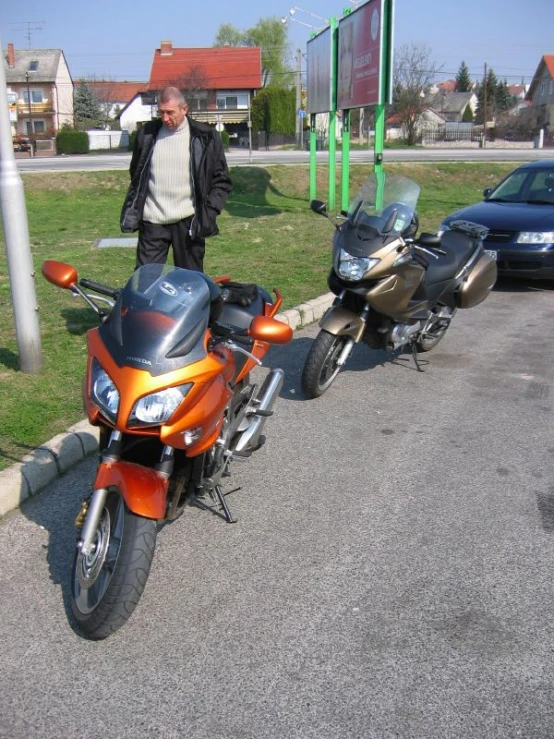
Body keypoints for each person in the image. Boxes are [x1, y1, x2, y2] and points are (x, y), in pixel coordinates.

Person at [120, 86, 232, 272]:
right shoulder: (147, 135)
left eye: (170, 112)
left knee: (190, 286)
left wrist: (208, 213)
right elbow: (137, 173)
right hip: (152, 222)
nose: (165, 118)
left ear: (184, 109)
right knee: (145, 284)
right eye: (161, 112)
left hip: (188, 223)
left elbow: (221, 181)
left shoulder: (206, 137)